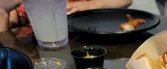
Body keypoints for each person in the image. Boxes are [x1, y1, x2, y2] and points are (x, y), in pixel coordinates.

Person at [0, 0, 132, 33]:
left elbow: (125, 0)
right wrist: (2, 10)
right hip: (42, 52)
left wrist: (87, 4)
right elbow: (10, 25)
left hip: (87, 38)